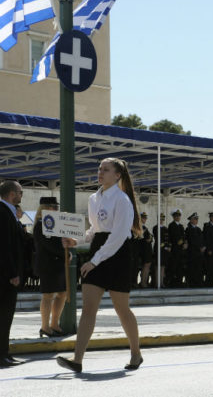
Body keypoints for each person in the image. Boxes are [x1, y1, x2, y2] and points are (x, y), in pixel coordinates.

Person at [57, 158, 144, 372]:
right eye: (99, 169)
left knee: (122, 309)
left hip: (117, 255)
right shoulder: (93, 198)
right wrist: (77, 242)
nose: (100, 172)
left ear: (117, 175)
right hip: (98, 253)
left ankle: (136, 353)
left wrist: (94, 261)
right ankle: (77, 359)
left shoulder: (122, 200)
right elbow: (94, 231)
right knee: (88, 309)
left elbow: (118, 236)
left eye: (106, 170)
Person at [33, 197, 67, 338]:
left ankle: (54, 324)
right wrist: (64, 253)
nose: (55, 209)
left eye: (56, 207)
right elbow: (49, 245)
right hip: (47, 264)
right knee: (48, 295)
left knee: (62, 294)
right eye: (53, 206)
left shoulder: (55, 223)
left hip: (58, 263)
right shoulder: (41, 224)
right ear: (45, 208)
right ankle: (45, 326)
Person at [0, 180, 24, 367]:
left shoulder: (10, 212)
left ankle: (5, 353)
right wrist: (12, 273)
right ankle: (2, 355)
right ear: (11, 194)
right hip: (5, 276)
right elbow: (5, 246)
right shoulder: (3, 212)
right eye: (20, 192)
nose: (21, 195)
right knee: (4, 315)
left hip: (8, 273)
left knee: (7, 316)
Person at [167, 209, 186, 287]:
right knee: (173, 266)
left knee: (180, 266)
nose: (177, 217)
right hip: (174, 248)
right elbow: (172, 237)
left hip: (181, 249)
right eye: (176, 216)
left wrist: (184, 242)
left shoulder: (181, 226)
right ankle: (173, 282)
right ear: (173, 217)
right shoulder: (171, 225)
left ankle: (179, 281)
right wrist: (178, 242)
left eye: (179, 216)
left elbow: (184, 236)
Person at [185, 213, 204, 287]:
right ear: (191, 220)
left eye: (197, 219)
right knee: (192, 268)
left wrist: (203, 247)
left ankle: (198, 282)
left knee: (198, 268)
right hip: (192, 252)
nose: (196, 220)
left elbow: (202, 239)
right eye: (195, 219)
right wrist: (199, 247)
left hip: (199, 252)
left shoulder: (198, 229)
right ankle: (191, 282)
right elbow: (191, 241)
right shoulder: (188, 229)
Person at [151, 214, 169, 287]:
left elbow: (167, 238)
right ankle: (157, 282)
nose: (161, 221)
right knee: (157, 266)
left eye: (162, 219)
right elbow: (157, 238)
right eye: (160, 219)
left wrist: (167, 246)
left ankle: (161, 282)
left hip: (164, 250)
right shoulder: (155, 227)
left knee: (162, 267)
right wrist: (164, 245)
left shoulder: (165, 228)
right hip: (158, 248)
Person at [202, 211, 213, 286]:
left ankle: (212, 281)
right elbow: (206, 239)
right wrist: (208, 249)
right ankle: (208, 282)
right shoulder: (207, 226)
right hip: (210, 251)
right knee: (209, 266)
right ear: (211, 218)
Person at [138, 212, 153, 288]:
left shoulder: (145, 228)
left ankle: (144, 282)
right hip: (143, 249)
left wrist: (150, 239)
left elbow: (150, 238)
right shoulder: (139, 227)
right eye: (143, 217)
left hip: (147, 250)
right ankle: (143, 283)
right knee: (145, 266)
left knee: (147, 266)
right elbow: (141, 238)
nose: (145, 219)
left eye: (145, 218)